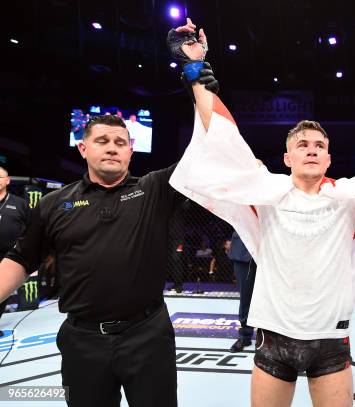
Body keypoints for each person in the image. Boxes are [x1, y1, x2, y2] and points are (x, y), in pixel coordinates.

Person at [169, 18, 355, 406]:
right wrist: (194, 69)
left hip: (332, 341)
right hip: (273, 339)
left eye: (319, 145)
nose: (311, 148)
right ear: (287, 157)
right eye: (302, 143)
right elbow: (223, 140)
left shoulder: (351, 196)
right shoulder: (265, 190)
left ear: (328, 158)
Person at [0, 39, 220, 405]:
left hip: (148, 336)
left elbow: (211, 146)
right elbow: (21, 259)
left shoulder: (154, 190)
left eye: (121, 141)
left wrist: (194, 70)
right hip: (83, 341)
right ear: (83, 148)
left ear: (131, 150)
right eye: (102, 140)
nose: (113, 146)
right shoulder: (55, 203)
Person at [0, 166, 28, 324]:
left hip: (8, 256)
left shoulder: (19, 204)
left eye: (0, 177)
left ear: (8, 180)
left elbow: (29, 228)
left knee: (3, 291)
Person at [227, 231, 257, 352]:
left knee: (274, 297)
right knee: (246, 296)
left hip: (272, 248)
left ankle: (272, 337)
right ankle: (245, 336)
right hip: (243, 248)